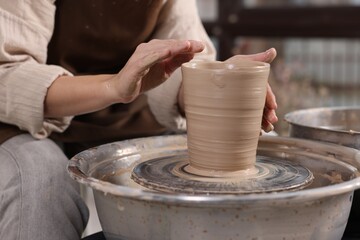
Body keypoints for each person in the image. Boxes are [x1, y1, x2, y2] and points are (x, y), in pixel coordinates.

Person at [0, 0, 278, 239]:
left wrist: (221, 82)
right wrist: (112, 87)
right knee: (42, 183)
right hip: (26, 120)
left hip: (125, 113)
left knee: (262, 161)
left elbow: (183, 61)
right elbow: (7, 74)